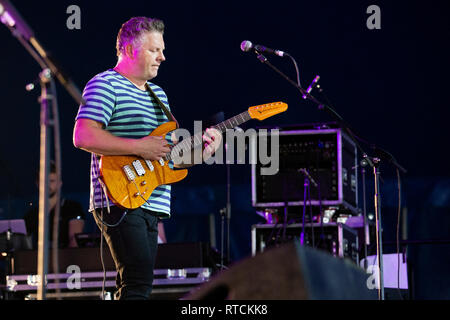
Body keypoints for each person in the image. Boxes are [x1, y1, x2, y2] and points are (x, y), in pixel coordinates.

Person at [73, 16, 221, 300]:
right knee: (137, 283)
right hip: (119, 196)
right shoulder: (104, 84)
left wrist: (204, 151)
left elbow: (169, 159)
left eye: (162, 50)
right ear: (129, 49)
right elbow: (83, 137)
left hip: (152, 198)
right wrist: (140, 147)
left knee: (138, 284)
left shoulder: (159, 96)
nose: (162, 57)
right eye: (155, 50)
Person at [24, 161, 86, 249]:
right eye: (43, 181)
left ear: (60, 183)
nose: (47, 185)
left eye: (52, 181)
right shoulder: (31, 214)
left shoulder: (72, 208)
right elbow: (25, 245)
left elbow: (74, 241)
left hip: (66, 258)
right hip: (37, 260)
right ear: (37, 184)